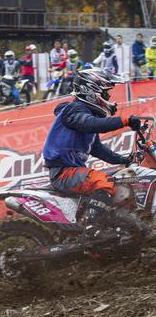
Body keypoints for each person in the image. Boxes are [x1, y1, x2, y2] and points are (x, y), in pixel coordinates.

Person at [42, 68, 142, 242]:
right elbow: (91, 124)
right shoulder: (73, 110)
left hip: (72, 171)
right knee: (105, 182)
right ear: (91, 91)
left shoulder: (86, 114)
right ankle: (93, 230)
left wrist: (123, 160)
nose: (109, 97)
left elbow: (96, 148)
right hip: (63, 172)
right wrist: (124, 121)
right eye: (106, 92)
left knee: (118, 182)